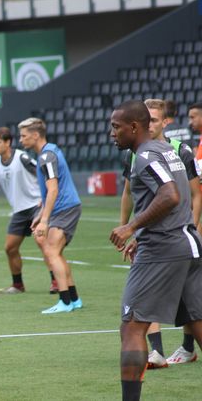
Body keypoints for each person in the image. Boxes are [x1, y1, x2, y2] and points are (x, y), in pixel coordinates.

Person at [109, 100, 202, 401]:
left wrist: (131, 227)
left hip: (163, 250)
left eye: (116, 127)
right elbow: (178, 195)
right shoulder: (166, 150)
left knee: (131, 327)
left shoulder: (145, 156)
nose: (112, 133)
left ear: (134, 127)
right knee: (197, 322)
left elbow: (170, 195)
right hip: (188, 244)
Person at [18, 117, 83, 314]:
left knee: (52, 252)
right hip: (63, 208)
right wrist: (41, 214)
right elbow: (50, 191)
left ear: (35, 135)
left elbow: (53, 189)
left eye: (24, 136)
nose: (21, 140)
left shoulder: (46, 156)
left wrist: (44, 220)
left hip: (64, 208)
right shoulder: (50, 151)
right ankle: (74, 299)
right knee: (56, 253)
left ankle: (65, 301)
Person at [0, 126, 45, 294]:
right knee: (10, 248)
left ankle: (56, 282)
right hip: (19, 211)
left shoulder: (22, 158)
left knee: (42, 242)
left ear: (8, 143)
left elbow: (43, 175)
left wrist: (45, 197)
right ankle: (18, 285)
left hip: (36, 206)